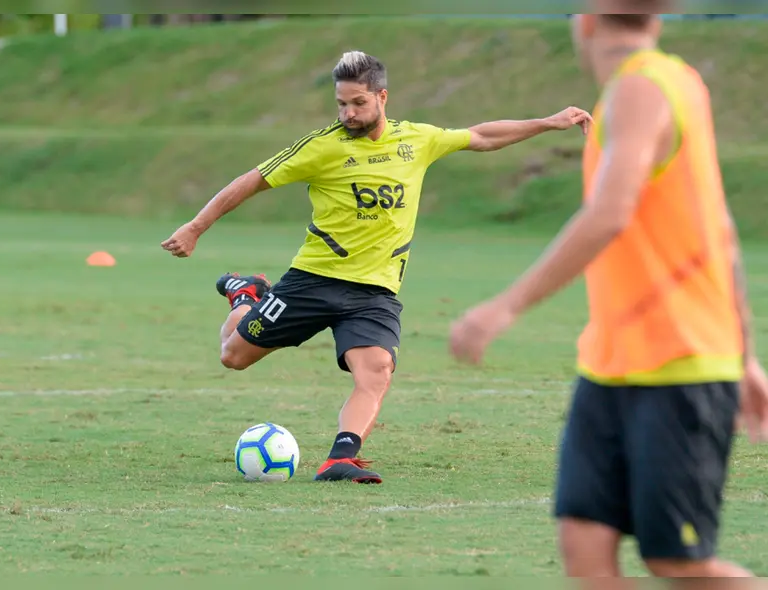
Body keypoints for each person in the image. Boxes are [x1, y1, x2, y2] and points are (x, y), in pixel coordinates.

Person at [162, 50, 591, 484]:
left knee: (376, 372)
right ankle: (245, 294)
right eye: (341, 104)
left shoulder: (416, 140)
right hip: (313, 281)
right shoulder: (321, 147)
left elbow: (481, 136)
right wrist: (196, 227)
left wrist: (547, 122)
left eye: (358, 103)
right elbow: (253, 180)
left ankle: (340, 459)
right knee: (233, 356)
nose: (348, 113)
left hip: (374, 292)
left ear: (382, 97)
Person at [449, 3, 768, 578]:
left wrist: (504, 306)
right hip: (610, 364)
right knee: (584, 546)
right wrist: (745, 355)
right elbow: (716, 226)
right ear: (656, 20)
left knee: (676, 563)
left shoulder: (644, 88)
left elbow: (610, 212)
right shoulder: (656, 86)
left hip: (680, 361)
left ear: (589, 20)